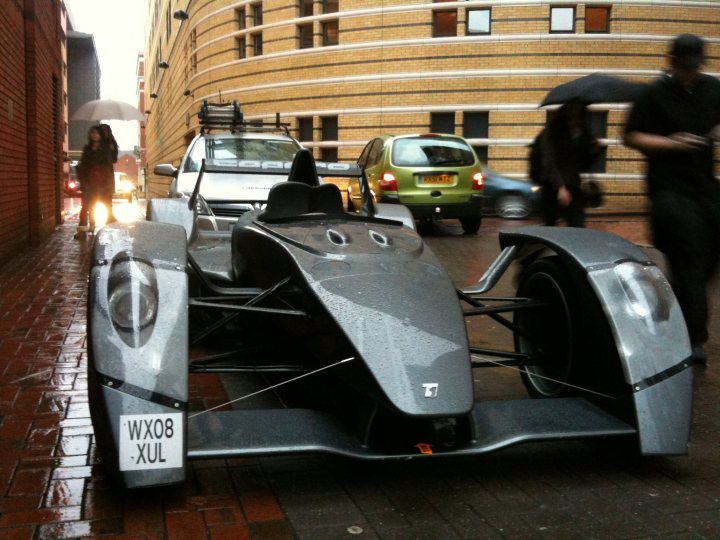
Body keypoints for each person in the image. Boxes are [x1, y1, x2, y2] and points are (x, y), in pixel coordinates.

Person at [624, 34, 720, 364]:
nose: (689, 74)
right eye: (683, 67)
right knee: (689, 258)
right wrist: (672, 142)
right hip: (669, 192)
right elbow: (631, 136)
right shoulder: (652, 95)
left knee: (706, 261)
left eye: (695, 68)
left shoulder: (713, 89)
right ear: (672, 61)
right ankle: (694, 339)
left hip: (705, 189)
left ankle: (675, 309)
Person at [534, 101, 599, 227]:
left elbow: (585, 165)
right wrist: (560, 187)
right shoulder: (553, 129)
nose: (578, 116)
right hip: (552, 186)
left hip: (573, 186)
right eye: (575, 112)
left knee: (577, 226)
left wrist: (594, 150)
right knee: (550, 228)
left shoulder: (584, 132)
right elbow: (549, 160)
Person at [74, 125, 114, 239]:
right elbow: (83, 165)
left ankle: (109, 229)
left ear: (101, 135)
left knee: (107, 207)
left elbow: (109, 164)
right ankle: (82, 230)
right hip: (89, 182)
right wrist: (82, 180)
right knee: (86, 206)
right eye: (92, 133)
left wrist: (111, 142)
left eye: (96, 133)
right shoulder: (87, 149)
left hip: (103, 183)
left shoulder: (106, 148)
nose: (94, 135)